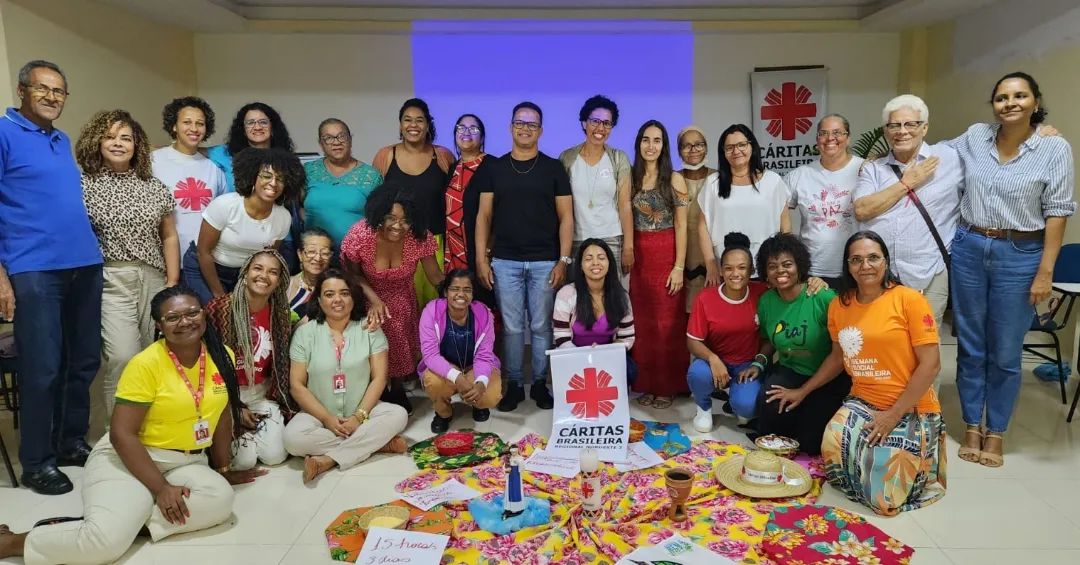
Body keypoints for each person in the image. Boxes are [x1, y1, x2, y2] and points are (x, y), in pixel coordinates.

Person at [0, 286, 265, 563]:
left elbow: (222, 415)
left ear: (204, 315)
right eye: (173, 317)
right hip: (129, 458)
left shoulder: (222, 355)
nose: (185, 321)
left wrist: (223, 469)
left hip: (187, 461)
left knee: (220, 500)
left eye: (192, 313)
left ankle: (123, 521)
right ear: (159, 325)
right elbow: (121, 434)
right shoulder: (145, 364)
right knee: (102, 546)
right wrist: (161, 489)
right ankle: (13, 542)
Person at [950, 72, 1075, 467]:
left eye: (1020, 96)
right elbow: (932, 154)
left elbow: (1058, 212)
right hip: (969, 246)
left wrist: (1046, 271)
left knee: (1005, 351)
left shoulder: (1054, 148)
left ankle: (996, 429)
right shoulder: (975, 137)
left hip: (1020, 253)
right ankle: (972, 423)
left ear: (1035, 102)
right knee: (971, 346)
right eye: (1002, 97)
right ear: (993, 104)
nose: (1010, 104)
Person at [0, 60, 104, 495]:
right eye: (42, 88)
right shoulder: (3, 133)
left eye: (59, 91)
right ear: (22, 90)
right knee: (41, 367)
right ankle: (37, 462)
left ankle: (69, 442)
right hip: (34, 268)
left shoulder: (60, 140)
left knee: (83, 360)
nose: (51, 97)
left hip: (84, 264)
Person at [795, 231, 944, 516]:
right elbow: (837, 357)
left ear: (886, 261)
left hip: (910, 405)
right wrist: (804, 390)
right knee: (833, 443)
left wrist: (893, 415)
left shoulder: (909, 299)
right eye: (856, 260)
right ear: (848, 265)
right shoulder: (840, 305)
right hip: (862, 401)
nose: (865, 266)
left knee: (885, 500)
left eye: (873, 258)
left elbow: (931, 364)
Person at [473, 101, 573, 412]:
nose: (525, 128)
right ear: (511, 127)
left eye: (532, 124)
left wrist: (563, 260)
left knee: (542, 327)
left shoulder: (553, 168)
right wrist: (481, 260)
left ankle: (541, 383)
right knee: (513, 328)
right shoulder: (495, 168)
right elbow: (483, 216)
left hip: (545, 261)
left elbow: (566, 218)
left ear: (540, 131)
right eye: (520, 122)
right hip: (505, 261)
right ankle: (514, 384)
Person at [78, 109, 179, 416]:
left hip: (153, 278)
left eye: (126, 138)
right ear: (97, 142)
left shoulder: (154, 186)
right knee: (122, 356)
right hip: (111, 278)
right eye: (110, 137)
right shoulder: (83, 185)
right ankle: (117, 432)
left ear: (137, 145)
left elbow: (169, 236)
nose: (118, 143)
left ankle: (149, 424)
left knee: (151, 355)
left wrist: (172, 282)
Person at [284, 269, 408, 484]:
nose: (337, 300)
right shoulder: (305, 334)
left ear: (353, 297)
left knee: (398, 414)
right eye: (329, 294)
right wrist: (326, 418)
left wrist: (358, 418)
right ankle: (377, 443)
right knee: (292, 438)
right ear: (319, 300)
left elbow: (379, 378)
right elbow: (297, 385)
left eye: (344, 293)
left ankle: (327, 460)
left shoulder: (370, 329)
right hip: (319, 415)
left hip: (364, 412)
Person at [853, 95, 962, 329]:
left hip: (930, 273)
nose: (902, 131)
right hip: (881, 276)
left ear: (925, 127)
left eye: (910, 124)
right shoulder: (873, 168)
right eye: (894, 125)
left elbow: (989, 141)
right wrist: (906, 183)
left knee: (924, 341)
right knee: (883, 338)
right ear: (886, 131)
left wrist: (1038, 130)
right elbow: (862, 209)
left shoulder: (950, 159)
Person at [340, 183, 445, 414]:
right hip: (366, 293)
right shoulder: (361, 235)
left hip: (402, 295)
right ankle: (374, 387)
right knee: (374, 326)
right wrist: (374, 300)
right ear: (379, 214)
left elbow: (435, 276)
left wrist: (456, 295)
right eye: (391, 218)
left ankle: (397, 388)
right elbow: (352, 275)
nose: (398, 226)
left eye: (405, 220)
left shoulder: (419, 237)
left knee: (397, 322)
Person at [753, 233, 849, 455]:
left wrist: (802, 391)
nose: (780, 271)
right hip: (790, 370)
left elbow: (839, 356)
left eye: (787, 264)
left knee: (811, 444)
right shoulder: (766, 302)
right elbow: (768, 339)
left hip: (828, 375)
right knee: (770, 408)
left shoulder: (823, 297)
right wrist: (759, 361)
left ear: (800, 265)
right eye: (772, 266)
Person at [205, 250, 295, 470]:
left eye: (273, 272)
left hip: (260, 393)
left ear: (279, 282)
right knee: (243, 462)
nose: (264, 276)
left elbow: (280, 367)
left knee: (274, 456)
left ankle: (250, 430)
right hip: (226, 395)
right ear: (245, 273)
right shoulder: (218, 309)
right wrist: (234, 405)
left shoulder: (280, 315)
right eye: (258, 268)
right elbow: (206, 364)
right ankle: (240, 429)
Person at [185, 147, 301, 304]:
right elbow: (203, 252)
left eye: (280, 179)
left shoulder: (283, 217)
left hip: (243, 273)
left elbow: (267, 258)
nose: (273, 183)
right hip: (205, 266)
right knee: (214, 311)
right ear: (253, 177)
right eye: (266, 176)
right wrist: (219, 295)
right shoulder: (225, 205)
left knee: (243, 313)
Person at [372, 98, 455, 307]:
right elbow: (376, 204)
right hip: (396, 243)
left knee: (437, 305)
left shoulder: (443, 156)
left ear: (427, 125)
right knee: (403, 305)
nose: (413, 125)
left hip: (436, 243)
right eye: (407, 120)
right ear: (400, 125)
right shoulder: (386, 156)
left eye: (419, 120)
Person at [629, 120, 688, 409]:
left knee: (667, 325)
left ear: (664, 146)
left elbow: (682, 225)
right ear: (638, 143)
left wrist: (679, 266)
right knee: (644, 325)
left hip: (667, 255)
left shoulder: (674, 179)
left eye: (657, 140)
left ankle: (667, 386)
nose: (650, 146)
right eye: (646, 139)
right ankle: (647, 384)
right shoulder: (630, 178)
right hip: (639, 258)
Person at [687, 232, 766, 433]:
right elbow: (693, 341)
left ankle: (736, 400)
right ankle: (703, 408)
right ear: (721, 271)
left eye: (742, 268)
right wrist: (713, 358)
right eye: (729, 268)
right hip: (715, 361)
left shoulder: (763, 294)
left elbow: (771, 337)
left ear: (751, 271)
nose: (735, 274)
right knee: (698, 373)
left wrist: (758, 362)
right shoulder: (706, 298)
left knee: (747, 408)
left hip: (747, 365)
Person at [208, 102, 301, 273]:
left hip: (277, 236)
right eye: (250, 122)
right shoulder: (225, 154)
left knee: (275, 283)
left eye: (263, 122)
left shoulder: (285, 159)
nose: (257, 127)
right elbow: (192, 151)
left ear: (272, 127)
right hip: (235, 237)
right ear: (243, 129)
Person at [698, 124, 792, 287]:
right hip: (728, 270)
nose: (736, 151)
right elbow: (702, 226)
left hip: (767, 268)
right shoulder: (713, 183)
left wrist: (784, 262)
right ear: (723, 152)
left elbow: (785, 226)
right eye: (729, 147)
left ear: (752, 146)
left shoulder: (773, 181)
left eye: (742, 145)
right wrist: (710, 263)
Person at [557, 95, 633, 287]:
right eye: (595, 121)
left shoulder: (618, 158)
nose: (601, 128)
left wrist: (628, 246)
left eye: (607, 123)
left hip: (611, 240)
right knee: (578, 297)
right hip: (577, 241)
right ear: (584, 123)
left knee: (612, 296)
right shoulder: (567, 158)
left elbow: (625, 205)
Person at [418, 269, 503, 433]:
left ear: (473, 294)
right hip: (444, 367)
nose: (461, 294)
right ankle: (443, 413)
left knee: (490, 393)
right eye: (455, 289)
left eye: (467, 290)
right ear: (445, 292)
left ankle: (477, 403)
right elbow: (430, 355)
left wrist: (481, 383)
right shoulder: (431, 311)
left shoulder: (483, 314)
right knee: (434, 383)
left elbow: (484, 356)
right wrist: (457, 377)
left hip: (473, 366)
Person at [786, 114, 864, 288]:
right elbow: (777, 210)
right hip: (812, 269)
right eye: (823, 133)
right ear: (817, 139)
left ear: (848, 138)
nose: (830, 138)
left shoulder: (865, 170)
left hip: (857, 269)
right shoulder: (800, 175)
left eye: (837, 132)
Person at [152, 96, 228, 263]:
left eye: (200, 123)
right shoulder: (153, 162)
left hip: (206, 259)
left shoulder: (214, 168)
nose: (194, 128)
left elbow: (223, 216)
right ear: (174, 126)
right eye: (187, 122)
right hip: (164, 258)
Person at [553, 239, 636, 377]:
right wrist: (587, 356)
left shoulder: (621, 296)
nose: (595, 263)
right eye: (588, 259)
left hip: (608, 357)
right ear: (580, 266)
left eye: (601, 258)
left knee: (630, 370)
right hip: (573, 357)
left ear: (609, 263)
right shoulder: (566, 294)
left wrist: (603, 354)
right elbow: (561, 337)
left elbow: (627, 337)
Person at [303, 118, 383, 252]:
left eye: (342, 136)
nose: (336, 142)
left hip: (356, 256)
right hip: (315, 256)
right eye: (328, 138)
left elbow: (380, 219)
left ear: (350, 140)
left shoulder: (371, 175)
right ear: (321, 143)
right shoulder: (308, 171)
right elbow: (296, 209)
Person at [444, 114, 496, 308]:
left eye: (473, 129)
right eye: (461, 128)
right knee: (457, 308)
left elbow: (497, 215)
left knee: (483, 307)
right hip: (453, 251)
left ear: (482, 138)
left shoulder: (492, 166)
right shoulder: (453, 168)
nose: (466, 132)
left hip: (479, 252)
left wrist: (486, 254)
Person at [676, 125, 715, 310]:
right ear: (679, 151)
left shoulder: (719, 177)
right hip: (681, 254)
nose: (693, 150)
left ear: (706, 147)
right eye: (686, 145)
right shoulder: (672, 179)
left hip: (712, 256)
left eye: (699, 144)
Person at [288, 227, 333, 321]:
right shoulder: (285, 284)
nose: (318, 258)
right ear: (300, 254)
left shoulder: (336, 289)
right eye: (312, 252)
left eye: (325, 253)